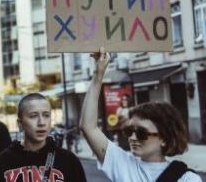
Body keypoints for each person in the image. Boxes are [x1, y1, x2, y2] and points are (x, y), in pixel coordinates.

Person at [79, 48, 202, 182]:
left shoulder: (188, 179)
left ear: (164, 139)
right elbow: (88, 127)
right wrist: (98, 73)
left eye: (141, 133)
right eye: (129, 131)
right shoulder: (123, 164)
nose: (132, 137)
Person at [0, 93, 86, 182]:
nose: (41, 122)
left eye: (46, 115)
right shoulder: (2, 162)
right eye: (33, 116)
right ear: (20, 124)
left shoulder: (68, 161)